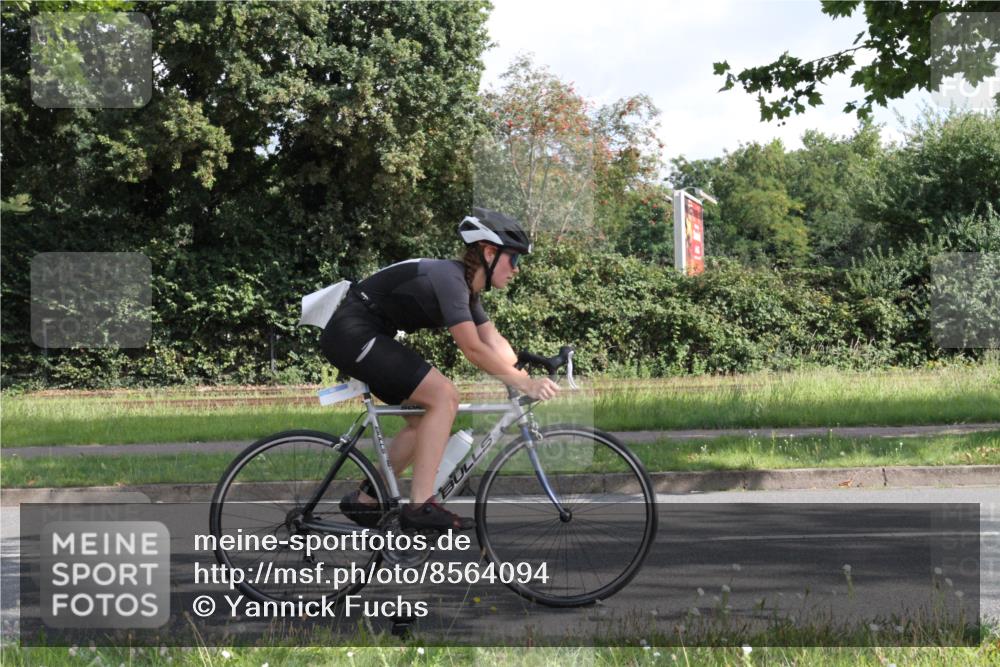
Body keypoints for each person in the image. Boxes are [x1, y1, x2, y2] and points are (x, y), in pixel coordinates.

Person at [319, 208, 559, 533]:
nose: (516, 270)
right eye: (513, 259)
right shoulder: (450, 280)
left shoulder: (467, 291)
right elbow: (473, 348)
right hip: (353, 332)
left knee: (425, 424)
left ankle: (365, 501)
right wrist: (522, 382)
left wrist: (526, 375)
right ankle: (420, 505)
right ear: (490, 252)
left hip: (366, 335)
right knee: (444, 396)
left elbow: (493, 340)